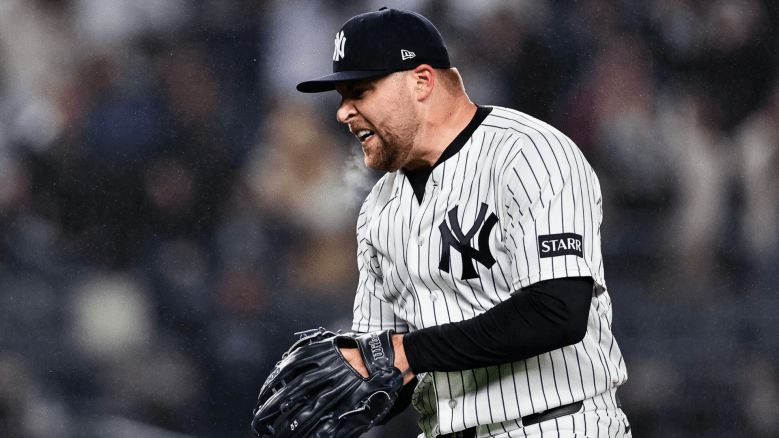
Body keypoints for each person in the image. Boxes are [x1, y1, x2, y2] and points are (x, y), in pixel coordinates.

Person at [295, 8, 630, 438]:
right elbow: (391, 366)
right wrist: (345, 385)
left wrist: (409, 352)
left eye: (360, 91)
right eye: (341, 97)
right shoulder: (378, 208)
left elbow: (558, 310)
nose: (344, 112)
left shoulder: (530, 153)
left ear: (421, 82)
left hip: (558, 424)